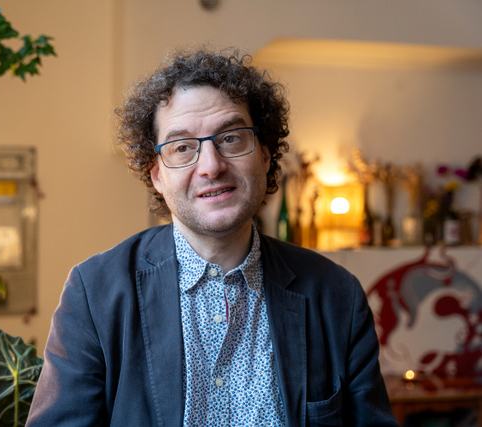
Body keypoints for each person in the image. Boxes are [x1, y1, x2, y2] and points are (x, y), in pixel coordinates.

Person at [27, 50, 398, 427]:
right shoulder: (95, 294)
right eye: (182, 147)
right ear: (156, 175)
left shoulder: (337, 295)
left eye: (231, 138)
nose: (211, 166)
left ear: (265, 155)